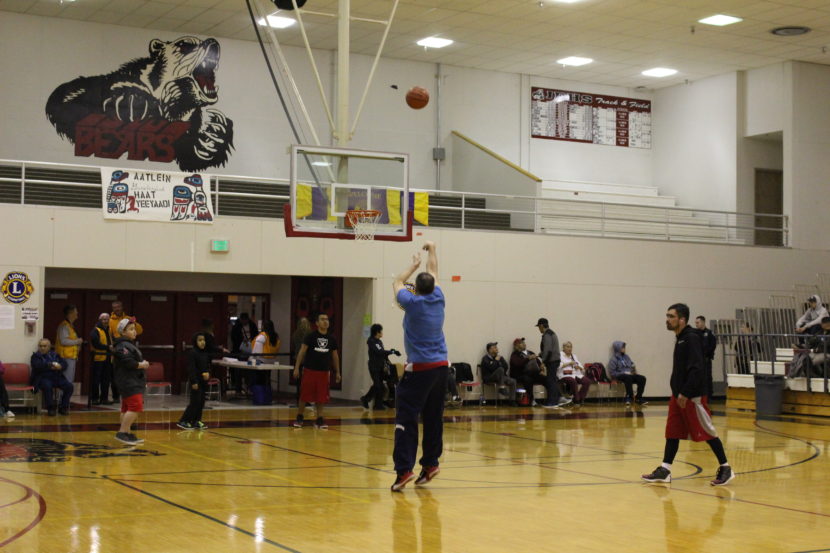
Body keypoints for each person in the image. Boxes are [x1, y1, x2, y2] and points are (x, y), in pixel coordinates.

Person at [642, 303, 734, 486]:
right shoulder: (680, 338)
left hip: (692, 396)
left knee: (708, 431)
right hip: (678, 396)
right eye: (667, 316)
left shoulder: (691, 338)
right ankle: (665, 469)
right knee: (673, 432)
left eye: (671, 316)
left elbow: (697, 369)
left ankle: (726, 467)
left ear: (682, 319)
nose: (667, 320)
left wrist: (686, 392)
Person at [391, 241, 449, 492]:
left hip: (420, 369)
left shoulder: (411, 304)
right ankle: (430, 464)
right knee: (434, 417)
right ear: (433, 287)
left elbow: (397, 283)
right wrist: (432, 250)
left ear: (416, 290)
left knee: (406, 417)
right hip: (442, 368)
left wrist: (412, 266)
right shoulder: (439, 297)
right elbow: (434, 270)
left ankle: (404, 469)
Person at [292, 313, 340, 429]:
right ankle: (299, 417)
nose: (325, 321)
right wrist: (297, 367)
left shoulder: (331, 338)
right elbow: (302, 352)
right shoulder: (310, 337)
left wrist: (337, 372)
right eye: (322, 319)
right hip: (310, 370)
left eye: (327, 319)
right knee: (305, 395)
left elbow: (335, 356)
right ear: (317, 323)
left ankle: (319, 419)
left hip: (324, 372)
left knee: (321, 397)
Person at [112, 319, 149, 445]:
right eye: (131, 329)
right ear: (123, 332)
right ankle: (122, 432)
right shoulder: (122, 346)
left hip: (131, 380)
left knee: (126, 407)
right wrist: (142, 364)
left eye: (134, 329)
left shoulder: (128, 344)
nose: (134, 332)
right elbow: (128, 362)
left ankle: (126, 433)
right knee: (136, 406)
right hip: (129, 381)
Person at [361, 323, 401, 411]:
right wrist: (393, 352)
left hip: (380, 366)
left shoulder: (379, 341)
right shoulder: (371, 341)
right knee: (377, 385)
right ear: (377, 332)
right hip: (374, 367)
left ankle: (378, 405)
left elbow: (383, 353)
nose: (382, 332)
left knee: (381, 385)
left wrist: (390, 356)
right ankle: (365, 399)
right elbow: (380, 352)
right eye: (381, 331)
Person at [30, 338, 74, 416]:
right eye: (40, 346)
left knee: (69, 386)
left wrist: (60, 366)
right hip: (43, 378)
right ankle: (50, 408)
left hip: (56, 376)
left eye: (44, 346)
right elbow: (37, 366)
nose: (42, 348)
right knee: (47, 386)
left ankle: (63, 407)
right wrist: (50, 365)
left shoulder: (55, 354)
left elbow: (64, 364)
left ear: (49, 347)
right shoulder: (35, 356)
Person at [177, 333, 211, 430]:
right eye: (200, 340)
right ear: (195, 342)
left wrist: (208, 373)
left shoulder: (205, 353)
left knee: (201, 402)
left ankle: (196, 420)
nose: (202, 342)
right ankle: (184, 420)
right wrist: (194, 381)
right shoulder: (193, 353)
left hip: (203, 382)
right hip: (196, 382)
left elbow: (207, 366)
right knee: (194, 402)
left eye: (203, 340)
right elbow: (191, 369)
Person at [536, 317, 570, 409]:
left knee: (550, 381)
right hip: (554, 360)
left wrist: (543, 361)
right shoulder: (552, 333)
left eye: (539, 326)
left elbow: (548, 350)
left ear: (542, 325)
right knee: (552, 380)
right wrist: (540, 354)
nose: (539, 329)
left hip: (551, 361)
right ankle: (558, 399)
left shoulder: (547, 335)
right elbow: (550, 349)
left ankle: (552, 402)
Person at [509, 337, 550, 407]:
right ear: (516, 346)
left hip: (533, 373)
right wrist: (527, 359)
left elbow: (537, 362)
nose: (524, 344)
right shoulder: (515, 354)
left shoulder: (530, 352)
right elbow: (517, 364)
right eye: (521, 343)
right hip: (520, 374)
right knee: (528, 379)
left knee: (546, 379)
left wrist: (541, 368)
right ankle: (532, 400)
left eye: (523, 342)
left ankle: (551, 398)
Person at [608, 341, 647, 405]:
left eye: (624, 347)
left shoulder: (627, 357)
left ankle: (638, 397)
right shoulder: (613, 359)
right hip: (620, 375)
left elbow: (631, 365)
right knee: (628, 377)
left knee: (642, 378)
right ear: (618, 348)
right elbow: (612, 372)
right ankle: (629, 396)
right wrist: (624, 372)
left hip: (629, 374)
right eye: (622, 347)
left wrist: (633, 370)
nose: (624, 349)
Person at [89, 312, 114, 405]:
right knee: (96, 379)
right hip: (98, 358)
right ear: (100, 320)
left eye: (107, 319)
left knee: (106, 379)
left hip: (108, 358)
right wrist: (108, 347)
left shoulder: (109, 330)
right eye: (104, 319)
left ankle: (104, 398)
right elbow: (96, 343)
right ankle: (95, 398)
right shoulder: (95, 330)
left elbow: (113, 341)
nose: (106, 321)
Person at [230, 312, 258, 395]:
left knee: (249, 371)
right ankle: (238, 388)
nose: (244, 322)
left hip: (250, 351)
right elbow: (233, 338)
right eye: (243, 320)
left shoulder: (252, 325)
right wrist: (241, 342)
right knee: (238, 370)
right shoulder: (236, 327)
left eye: (246, 320)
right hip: (239, 351)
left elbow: (255, 336)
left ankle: (248, 387)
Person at [55, 304, 83, 385]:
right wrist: (78, 341)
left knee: (69, 380)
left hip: (71, 357)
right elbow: (64, 341)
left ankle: (65, 397)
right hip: (65, 357)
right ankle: (63, 397)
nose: (77, 313)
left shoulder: (70, 326)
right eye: (75, 312)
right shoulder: (64, 326)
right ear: (70, 313)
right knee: (66, 380)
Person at [558, 341, 591, 406]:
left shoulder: (574, 356)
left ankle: (579, 398)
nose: (570, 348)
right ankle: (577, 400)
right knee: (573, 381)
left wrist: (578, 367)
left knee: (587, 381)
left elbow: (581, 367)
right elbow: (558, 366)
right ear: (563, 348)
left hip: (575, 374)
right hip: (564, 375)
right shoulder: (559, 355)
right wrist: (569, 363)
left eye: (571, 347)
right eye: (568, 347)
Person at [252, 319, 280, 390]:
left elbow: (256, 351)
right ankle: (267, 393)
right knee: (267, 378)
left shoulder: (263, 336)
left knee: (259, 379)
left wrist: (252, 359)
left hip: (261, 360)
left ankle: (260, 394)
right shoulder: (276, 336)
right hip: (271, 360)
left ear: (264, 326)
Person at [695, 316, 717, 400]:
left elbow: (712, 346)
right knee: (697, 378)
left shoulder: (709, 333)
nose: (696, 324)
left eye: (698, 322)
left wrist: (706, 354)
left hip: (706, 360)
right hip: (697, 361)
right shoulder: (695, 334)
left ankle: (708, 397)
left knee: (707, 378)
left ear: (703, 322)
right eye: (695, 323)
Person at [291, 317, 312, 403]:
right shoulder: (310, 334)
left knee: (301, 381)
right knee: (304, 381)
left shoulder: (295, 334)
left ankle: (301, 399)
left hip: (300, 359)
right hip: (306, 360)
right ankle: (304, 399)